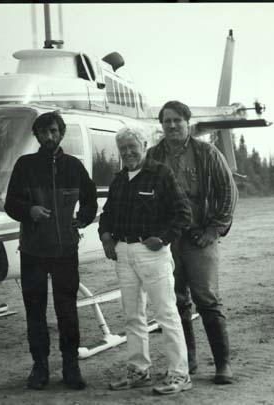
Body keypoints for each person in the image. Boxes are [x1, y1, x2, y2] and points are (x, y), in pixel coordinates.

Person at [4, 111, 98, 391]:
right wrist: (29, 210)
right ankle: (40, 367)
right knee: (35, 312)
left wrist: (84, 218)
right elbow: (10, 204)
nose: (49, 136)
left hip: (65, 251)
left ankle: (71, 366)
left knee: (67, 311)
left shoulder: (74, 167)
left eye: (54, 131)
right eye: (43, 132)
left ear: (61, 133)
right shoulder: (25, 165)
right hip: (33, 251)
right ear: (36, 135)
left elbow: (90, 197)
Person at [147, 100, 238, 385]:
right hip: (168, 240)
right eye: (167, 121)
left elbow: (228, 192)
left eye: (177, 120)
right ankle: (188, 362)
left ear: (188, 123)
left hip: (200, 238)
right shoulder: (153, 156)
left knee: (207, 299)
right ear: (161, 125)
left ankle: (223, 365)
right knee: (176, 301)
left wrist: (213, 230)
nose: (172, 125)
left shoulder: (207, 153)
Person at [98, 126, 193, 395]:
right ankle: (138, 371)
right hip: (124, 253)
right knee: (132, 316)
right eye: (123, 148)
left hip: (152, 253)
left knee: (166, 314)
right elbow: (107, 215)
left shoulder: (161, 174)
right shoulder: (119, 180)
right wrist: (105, 236)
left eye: (133, 147)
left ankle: (180, 374)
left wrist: (162, 238)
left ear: (144, 146)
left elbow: (183, 213)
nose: (128, 152)